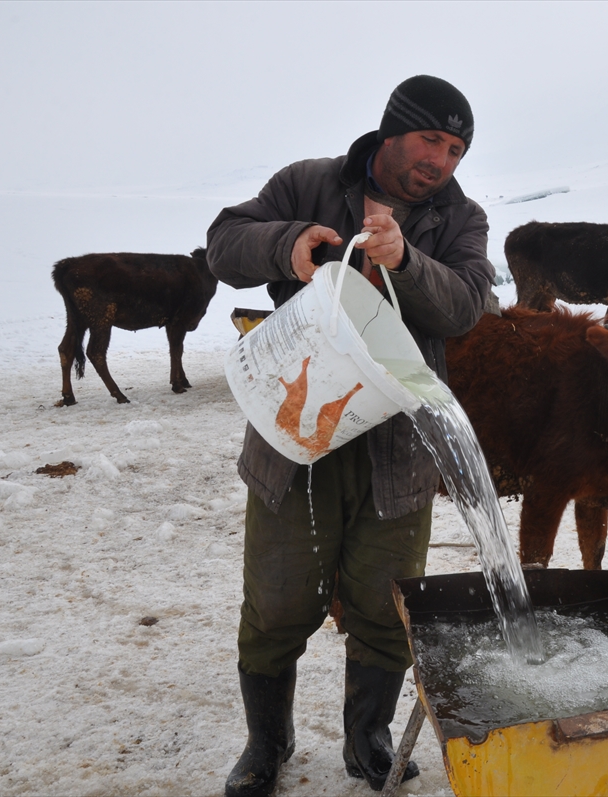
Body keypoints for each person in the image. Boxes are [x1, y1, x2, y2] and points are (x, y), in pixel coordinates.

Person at [207, 75, 493, 797]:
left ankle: (367, 735)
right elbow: (222, 243)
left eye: (456, 149)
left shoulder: (461, 219)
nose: (442, 160)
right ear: (393, 129)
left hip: (397, 446)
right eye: (431, 138)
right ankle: (267, 742)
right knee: (276, 601)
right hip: (295, 430)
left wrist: (406, 260)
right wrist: (287, 244)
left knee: (386, 601)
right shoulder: (308, 184)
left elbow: (466, 305)